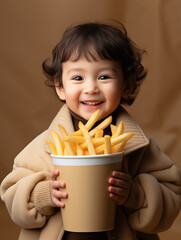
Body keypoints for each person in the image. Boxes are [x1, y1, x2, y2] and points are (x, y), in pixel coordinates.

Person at [1, 22, 181, 240]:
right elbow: (11, 197)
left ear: (127, 85)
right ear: (60, 87)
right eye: (78, 78)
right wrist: (44, 195)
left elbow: (172, 198)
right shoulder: (45, 144)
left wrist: (135, 194)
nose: (91, 88)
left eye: (104, 77)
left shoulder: (140, 147)